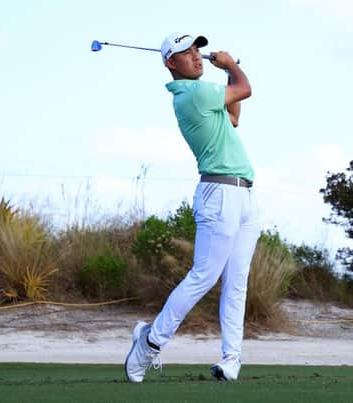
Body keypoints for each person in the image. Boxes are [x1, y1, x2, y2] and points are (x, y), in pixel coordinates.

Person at [124, 32, 260, 383]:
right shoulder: (193, 95)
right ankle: (150, 343)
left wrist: (228, 73)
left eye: (198, 51)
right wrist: (230, 66)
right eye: (187, 53)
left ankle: (232, 360)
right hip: (219, 193)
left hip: (244, 196)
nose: (197, 57)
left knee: (236, 283)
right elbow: (245, 90)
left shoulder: (204, 95)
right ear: (171, 63)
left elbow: (234, 116)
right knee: (203, 276)